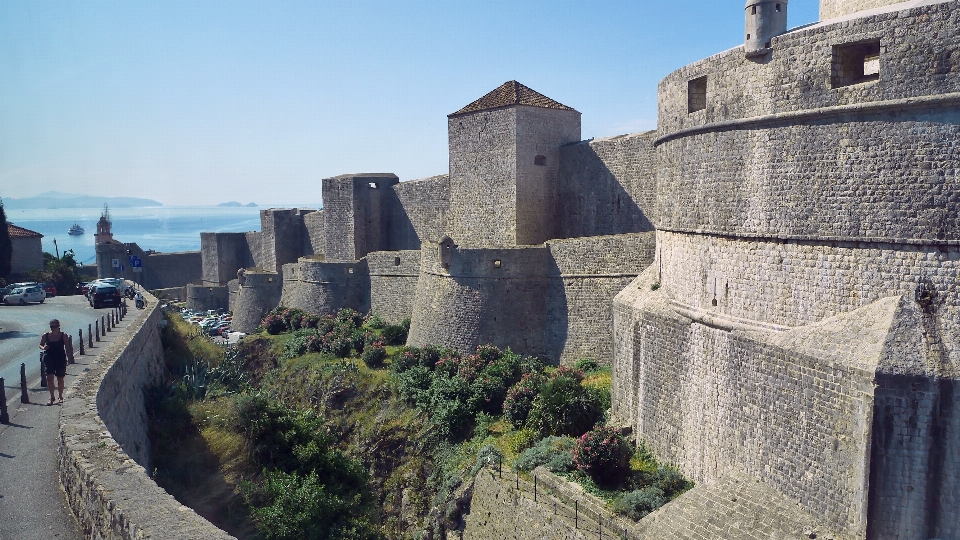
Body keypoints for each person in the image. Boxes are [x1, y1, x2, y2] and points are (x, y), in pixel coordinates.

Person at [39, 319, 73, 405]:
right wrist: (43, 348)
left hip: (60, 358)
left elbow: (68, 348)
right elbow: (40, 344)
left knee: (60, 378)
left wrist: (69, 358)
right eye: (51, 326)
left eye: (54, 326)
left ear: (58, 327)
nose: (53, 328)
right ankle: (52, 397)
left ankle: (60, 396)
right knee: (49, 378)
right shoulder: (45, 335)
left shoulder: (63, 336)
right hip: (49, 358)